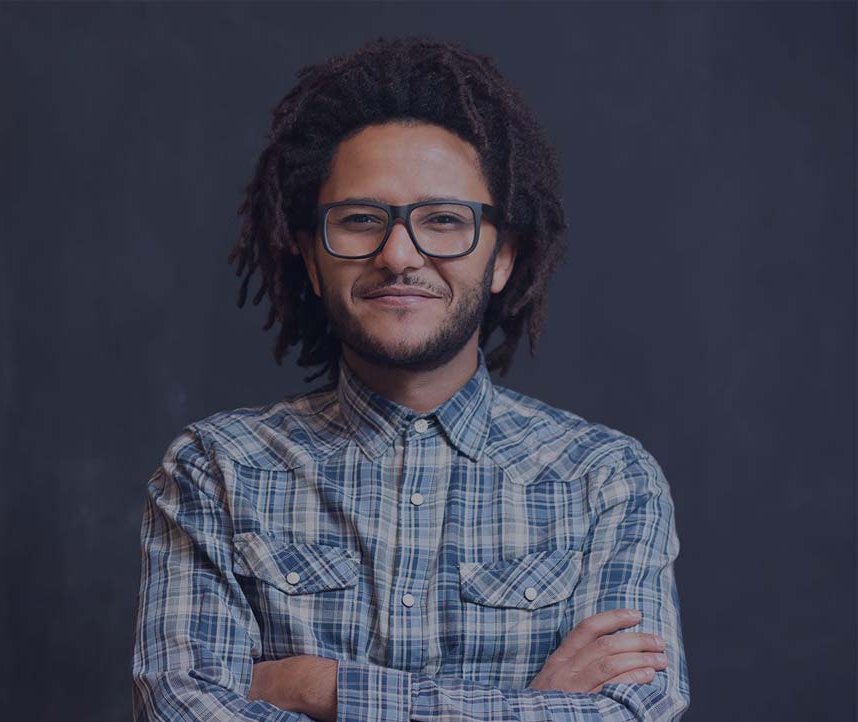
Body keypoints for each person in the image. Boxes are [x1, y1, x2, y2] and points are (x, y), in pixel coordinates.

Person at [130, 36, 690, 722]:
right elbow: (180, 711)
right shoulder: (214, 471)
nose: (399, 255)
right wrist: (530, 709)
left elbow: (629, 716)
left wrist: (317, 688)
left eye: (443, 221)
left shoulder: (606, 479)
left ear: (503, 258)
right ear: (311, 258)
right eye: (361, 220)